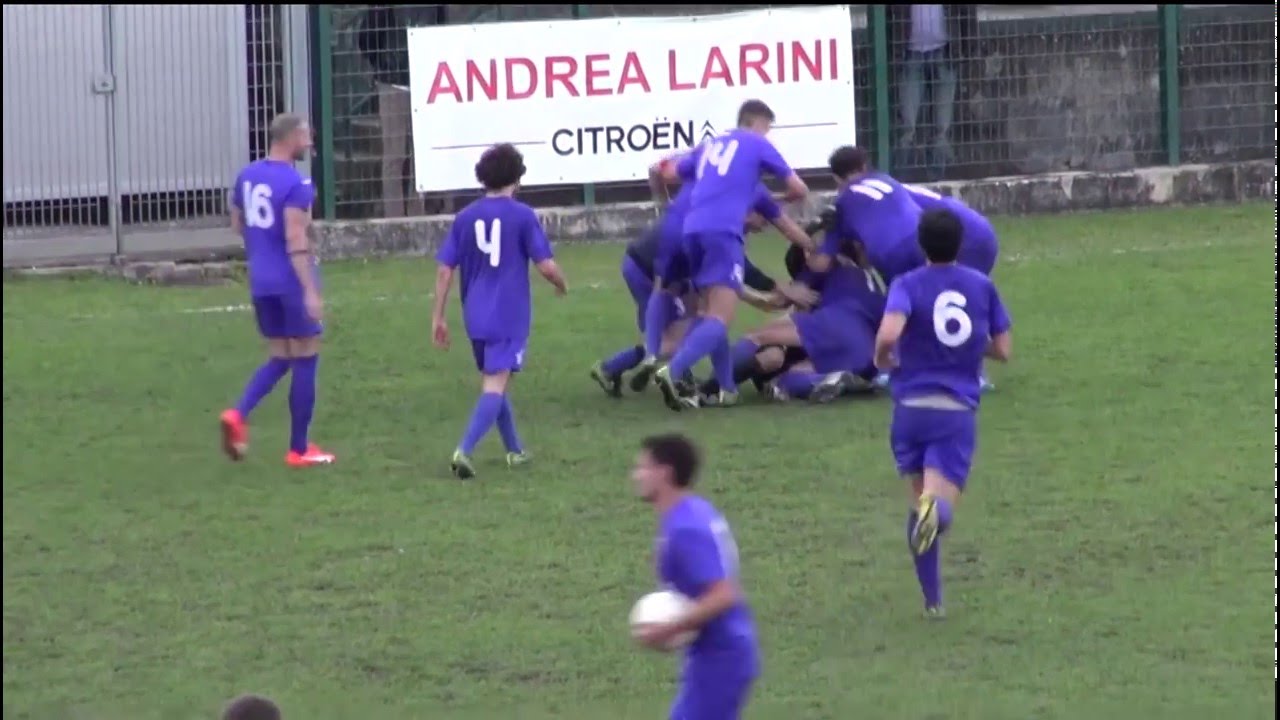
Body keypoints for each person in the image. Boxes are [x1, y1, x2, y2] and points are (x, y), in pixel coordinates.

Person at [873, 208, 1012, 618]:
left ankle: (933, 601)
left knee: (919, 505)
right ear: (962, 245)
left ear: (922, 245)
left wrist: (884, 359)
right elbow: (1003, 350)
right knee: (935, 510)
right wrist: (970, 347)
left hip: (909, 410)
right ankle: (937, 517)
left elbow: (889, 334)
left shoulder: (906, 283)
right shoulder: (981, 286)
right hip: (953, 413)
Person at [652, 100, 811, 411]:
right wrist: (772, 198)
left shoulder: (711, 144)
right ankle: (672, 372)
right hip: (723, 233)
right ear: (757, 123)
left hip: (692, 230)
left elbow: (670, 172)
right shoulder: (756, 145)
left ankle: (727, 388)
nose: (767, 135)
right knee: (721, 317)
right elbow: (799, 190)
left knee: (708, 312)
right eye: (767, 128)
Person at [431, 143, 568, 479]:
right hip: (508, 313)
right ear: (517, 178)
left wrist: (438, 316)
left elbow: (445, 269)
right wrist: (561, 283)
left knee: (496, 378)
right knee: (495, 384)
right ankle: (464, 450)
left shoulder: (464, 218)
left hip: (474, 315)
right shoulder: (522, 215)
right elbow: (546, 265)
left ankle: (514, 450)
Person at [220, 113, 334, 468]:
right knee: (306, 355)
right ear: (291, 138)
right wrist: (310, 290)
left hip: (261, 280)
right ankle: (299, 449)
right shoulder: (297, 185)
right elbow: (294, 238)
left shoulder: (247, 176)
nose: (311, 143)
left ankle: (238, 414)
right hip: (289, 280)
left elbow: (238, 224)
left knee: (281, 356)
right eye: (307, 137)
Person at [631, 433, 759, 719]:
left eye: (643, 468)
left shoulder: (685, 528)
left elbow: (724, 594)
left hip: (721, 657)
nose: (636, 476)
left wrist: (670, 628)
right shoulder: (693, 511)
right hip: (714, 654)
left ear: (664, 473)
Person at [810, 145, 924, 286]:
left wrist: (808, 250)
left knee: (903, 298)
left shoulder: (840, 204)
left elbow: (822, 264)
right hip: (925, 237)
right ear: (864, 167)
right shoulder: (886, 179)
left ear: (836, 178)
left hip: (890, 253)